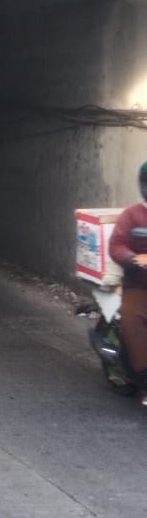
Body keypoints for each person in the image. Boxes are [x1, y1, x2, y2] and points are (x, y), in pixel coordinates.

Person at [108, 162, 147, 401]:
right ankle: (144, 375)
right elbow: (116, 245)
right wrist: (132, 258)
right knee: (133, 320)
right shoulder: (132, 214)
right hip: (139, 284)